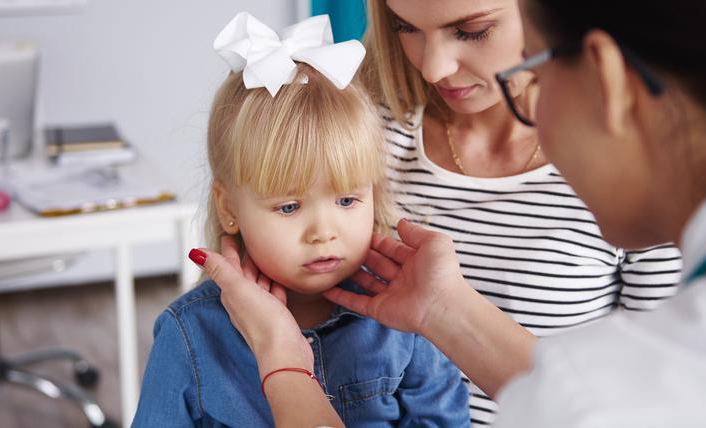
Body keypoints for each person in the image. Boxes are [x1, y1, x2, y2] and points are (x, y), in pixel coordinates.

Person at [187, 0, 706, 426]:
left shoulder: (612, 388)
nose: (436, 64)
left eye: (532, 82)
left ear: (606, 79)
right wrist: (444, 312)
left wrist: (280, 355)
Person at [132, 12, 469, 427]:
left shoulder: (405, 324)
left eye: (347, 200)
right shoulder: (188, 335)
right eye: (289, 207)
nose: (324, 232)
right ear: (229, 208)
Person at [359, 0, 683, 423]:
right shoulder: (363, 127)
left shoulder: (640, 169)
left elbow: (659, 409)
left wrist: (449, 312)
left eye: (472, 30)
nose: (433, 68)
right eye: (406, 26)